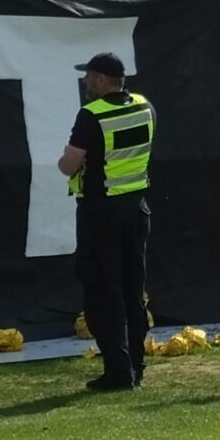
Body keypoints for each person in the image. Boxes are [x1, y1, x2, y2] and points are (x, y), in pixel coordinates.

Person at [57, 52, 155, 392]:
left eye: (89, 77)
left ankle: (118, 370)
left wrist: (64, 161)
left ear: (100, 80)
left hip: (101, 213)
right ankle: (137, 364)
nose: (85, 82)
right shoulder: (144, 105)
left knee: (103, 291)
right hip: (136, 209)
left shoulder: (91, 115)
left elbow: (69, 165)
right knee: (133, 291)